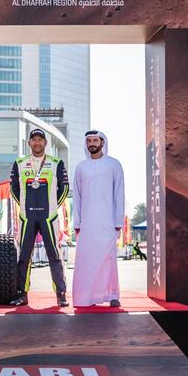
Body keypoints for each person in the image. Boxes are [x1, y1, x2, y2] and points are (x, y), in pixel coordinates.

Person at [9, 128, 70, 307]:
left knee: (55, 255)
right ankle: (22, 293)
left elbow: (64, 188)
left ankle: (61, 293)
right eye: (34, 139)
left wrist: (52, 207)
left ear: (45, 143)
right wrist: (23, 205)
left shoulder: (56, 163)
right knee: (24, 256)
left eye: (40, 140)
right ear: (29, 143)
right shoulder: (19, 163)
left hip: (49, 216)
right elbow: (14, 188)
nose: (37, 143)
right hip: (27, 216)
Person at [72, 130, 125, 307]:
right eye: (89, 141)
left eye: (95, 140)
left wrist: (118, 221)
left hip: (107, 222)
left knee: (108, 260)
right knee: (86, 261)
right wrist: (77, 222)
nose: (92, 143)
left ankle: (112, 295)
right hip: (87, 223)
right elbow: (77, 197)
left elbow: (119, 194)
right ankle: (88, 297)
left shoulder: (114, 165)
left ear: (103, 142)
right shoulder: (81, 167)